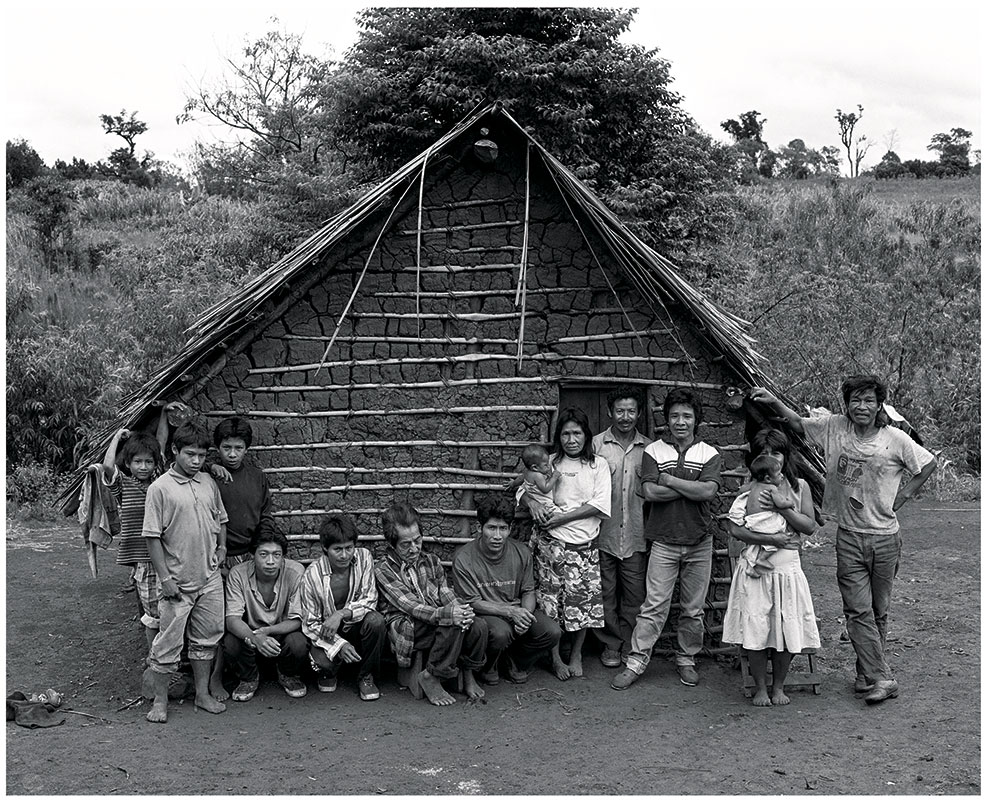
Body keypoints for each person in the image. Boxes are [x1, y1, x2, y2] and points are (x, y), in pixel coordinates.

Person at [749, 376, 937, 704]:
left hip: (885, 539)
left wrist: (904, 495)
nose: (861, 407)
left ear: (879, 405)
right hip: (849, 536)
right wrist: (772, 401)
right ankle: (882, 678)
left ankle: (866, 674)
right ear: (846, 404)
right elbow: (796, 422)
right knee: (857, 610)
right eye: (855, 400)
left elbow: (928, 462)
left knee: (877, 610)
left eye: (869, 401)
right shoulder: (835, 428)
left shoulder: (894, 439)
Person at [611, 388, 721, 691]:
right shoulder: (654, 451)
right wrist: (691, 487)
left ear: (696, 419)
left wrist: (669, 480)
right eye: (675, 416)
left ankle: (686, 659)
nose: (680, 422)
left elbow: (709, 492)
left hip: (699, 541)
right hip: (663, 541)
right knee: (654, 605)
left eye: (686, 416)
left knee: (692, 609)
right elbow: (649, 493)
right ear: (666, 419)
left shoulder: (708, 453)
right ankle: (636, 661)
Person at [721, 428, 821, 706]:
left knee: (785, 625)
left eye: (776, 452)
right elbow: (735, 529)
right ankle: (760, 688)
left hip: (787, 570)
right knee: (756, 626)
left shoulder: (799, 486)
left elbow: (809, 527)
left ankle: (779, 686)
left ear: (786, 456)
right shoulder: (748, 488)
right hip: (756, 567)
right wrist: (770, 538)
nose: (771, 459)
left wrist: (783, 508)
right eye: (764, 454)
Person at [141, 423, 228, 723]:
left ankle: (202, 694)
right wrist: (165, 578)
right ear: (175, 451)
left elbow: (222, 519)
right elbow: (152, 537)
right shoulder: (160, 488)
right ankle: (160, 701)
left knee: (206, 639)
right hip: (177, 580)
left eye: (202, 455)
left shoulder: (208, 483)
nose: (196, 461)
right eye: (190, 454)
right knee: (167, 643)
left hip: (209, 578)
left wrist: (222, 549)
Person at [521, 407, 611, 681]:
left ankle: (576, 654)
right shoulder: (547, 462)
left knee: (581, 604)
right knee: (550, 604)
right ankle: (556, 657)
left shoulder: (598, 465)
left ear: (587, 435)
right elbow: (522, 488)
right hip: (550, 546)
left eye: (577, 433)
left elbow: (599, 504)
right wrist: (532, 502)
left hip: (582, 545)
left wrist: (561, 518)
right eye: (566, 434)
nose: (571, 439)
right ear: (558, 437)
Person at [374, 502, 488, 706]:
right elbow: (412, 607)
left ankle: (469, 673)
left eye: (417, 541)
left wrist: (462, 611)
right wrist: (448, 615)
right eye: (405, 544)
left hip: (436, 621)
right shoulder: (383, 569)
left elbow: (445, 593)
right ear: (392, 545)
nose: (414, 548)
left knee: (478, 625)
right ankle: (431, 676)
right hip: (408, 626)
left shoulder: (431, 561)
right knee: (450, 623)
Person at [452, 495, 562, 685]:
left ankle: (515, 660)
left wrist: (525, 616)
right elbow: (472, 602)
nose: (497, 535)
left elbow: (528, 591)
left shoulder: (521, 552)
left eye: (503, 528)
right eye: (491, 528)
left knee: (552, 632)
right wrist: (510, 611)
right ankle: (489, 665)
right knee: (500, 633)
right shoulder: (464, 558)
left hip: (516, 611)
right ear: (480, 528)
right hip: (486, 615)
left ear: (510, 529)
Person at [591, 387, 652, 668]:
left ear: (639, 413)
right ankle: (610, 646)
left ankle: (629, 645)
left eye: (631, 411)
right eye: (620, 411)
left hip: (636, 534)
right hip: (601, 534)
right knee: (605, 593)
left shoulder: (650, 449)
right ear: (609, 412)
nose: (625, 417)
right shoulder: (595, 446)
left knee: (634, 596)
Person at [299, 514, 385, 702]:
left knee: (376, 621)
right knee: (322, 662)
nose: (345, 555)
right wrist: (340, 645)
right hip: (326, 634)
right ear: (324, 548)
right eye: (337, 549)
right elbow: (311, 624)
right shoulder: (311, 576)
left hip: (356, 626)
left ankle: (366, 676)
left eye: (349, 548)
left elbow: (370, 599)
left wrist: (341, 613)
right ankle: (330, 671)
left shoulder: (364, 558)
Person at [223, 528, 308, 702]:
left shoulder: (295, 572)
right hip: (250, 637)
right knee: (230, 642)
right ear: (253, 554)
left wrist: (267, 632)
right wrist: (255, 638)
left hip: (282, 633)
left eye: (277, 555)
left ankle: (288, 674)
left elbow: (297, 619)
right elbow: (232, 619)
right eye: (264, 554)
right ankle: (248, 678)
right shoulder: (238, 574)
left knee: (298, 643)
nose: (271, 561)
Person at [101, 428, 166, 654]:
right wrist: (117, 437)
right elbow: (108, 467)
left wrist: (165, 414)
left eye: (149, 461)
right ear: (128, 464)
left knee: (170, 607)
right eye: (137, 461)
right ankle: (154, 657)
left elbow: (161, 444)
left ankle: (172, 655)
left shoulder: (161, 484)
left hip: (166, 556)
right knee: (152, 613)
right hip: (142, 558)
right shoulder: (123, 486)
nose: (143, 466)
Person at [207, 417, 276, 575]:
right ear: (217, 448)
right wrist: (210, 466)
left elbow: (265, 515)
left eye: (238, 448)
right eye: (226, 447)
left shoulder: (257, 477)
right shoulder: (207, 477)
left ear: (246, 449)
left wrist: (261, 547)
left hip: (249, 553)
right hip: (216, 555)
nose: (232, 454)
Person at [733, 452, 793, 578]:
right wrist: (790, 503)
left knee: (756, 545)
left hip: (751, 522)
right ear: (767, 478)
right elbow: (780, 504)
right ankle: (761, 559)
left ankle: (750, 567)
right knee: (779, 535)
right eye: (779, 474)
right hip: (762, 522)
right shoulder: (771, 487)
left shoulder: (752, 486)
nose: (782, 476)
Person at [517, 444, 561, 516]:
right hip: (544, 503)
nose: (549, 466)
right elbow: (545, 489)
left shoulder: (526, 472)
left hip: (535, 500)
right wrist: (554, 477)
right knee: (560, 515)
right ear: (535, 467)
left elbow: (519, 480)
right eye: (546, 465)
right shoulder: (538, 476)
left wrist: (512, 484)